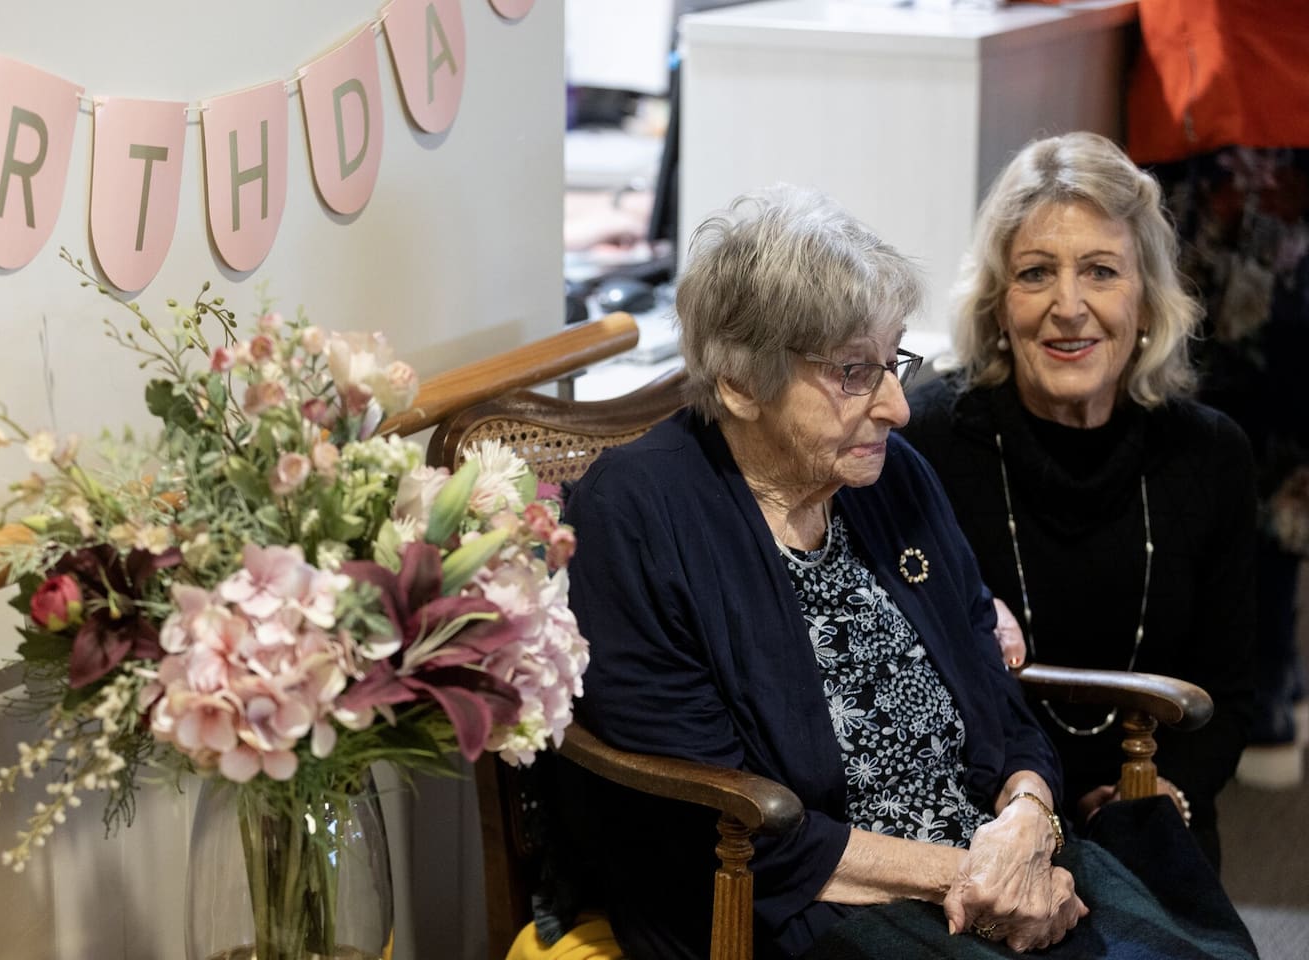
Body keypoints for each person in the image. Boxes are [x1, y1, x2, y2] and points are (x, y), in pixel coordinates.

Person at [560, 185, 1256, 959]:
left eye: (892, 362)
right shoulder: (638, 511)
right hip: (806, 911)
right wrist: (971, 876)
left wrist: (1029, 822)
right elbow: (715, 818)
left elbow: (1000, 703)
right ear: (741, 383)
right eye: (854, 372)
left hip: (988, 869)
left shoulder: (892, 478)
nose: (896, 406)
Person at [899, 132, 1257, 872]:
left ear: (1146, 299)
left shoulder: (1211, 454)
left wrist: (1165, 795)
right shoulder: (925, 442)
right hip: (978, 826)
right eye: (1036, 273)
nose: (1069, 306)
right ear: (999, 305)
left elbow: (1227, 690)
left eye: (1101, 271)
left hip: (1155, 810)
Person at [1127, 0, 1309, 789]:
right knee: (1265, 426)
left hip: (1239, 117)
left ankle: (1256, 688)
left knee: (1234, 425)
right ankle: (1270, 680)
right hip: (1235, 115)